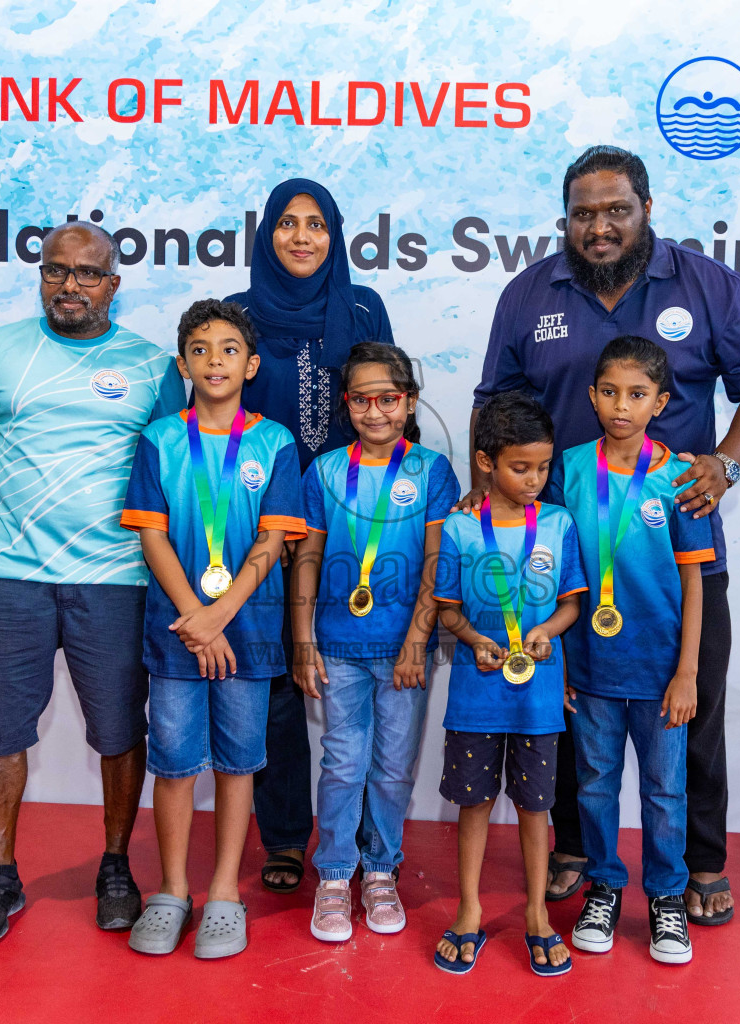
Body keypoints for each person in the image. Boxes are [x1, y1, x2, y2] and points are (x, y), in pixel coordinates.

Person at [469, 146, 740, 923]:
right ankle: (579, 848)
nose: (600, 226)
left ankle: (700, 863)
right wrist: (495, 525)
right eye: (584, 213)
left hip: (671, 557)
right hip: (566, 558)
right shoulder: (527, 294)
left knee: (692, 704)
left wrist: (723, 464)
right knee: (574, 703)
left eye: (617, 210)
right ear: (564, 221)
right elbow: (493, 406)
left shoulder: (709, 286)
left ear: (647, 209)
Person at [0, 222, 186, 944]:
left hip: (116, 582)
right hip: (11, 580)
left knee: (118, 732)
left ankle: (116, 866)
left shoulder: (152, 366)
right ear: (41, 276)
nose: (69, 286)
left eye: (87, 274)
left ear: (113, 285)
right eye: (56, 272)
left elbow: (167, 471)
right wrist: (23, 522)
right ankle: (1, 875)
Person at [119, 299, 306, 959]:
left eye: (229, 348)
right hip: (176, 635)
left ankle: (225, 891)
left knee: (237, 765)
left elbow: (271, 541)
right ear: (183, 364)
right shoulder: (161, 440)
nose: (214, 360)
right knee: (173, 765)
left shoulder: (276, 443)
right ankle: (172, 890)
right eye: (200, 349)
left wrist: (220, 615)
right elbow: (153, 537)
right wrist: (197, 621)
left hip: (247, 636)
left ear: (251, 364)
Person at [225, 179, 397, 894]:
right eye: (288, 224)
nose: (302, 237)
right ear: (266, 235)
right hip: (259, 526)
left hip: (351, 521)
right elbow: (216, 422)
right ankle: (289, 835)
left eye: (317, 224)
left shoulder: (361, 308)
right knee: (277, 687)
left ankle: (361, 835)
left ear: (336, 235)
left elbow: (384, 403)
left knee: (354, 674)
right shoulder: (237, 314)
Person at [544, 336, 713, 964]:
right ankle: (605, 886)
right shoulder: (571, 468)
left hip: (660, 669)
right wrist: (558, 658)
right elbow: (554, 566)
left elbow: (694, 579)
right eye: (610, 392)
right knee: (594, 783)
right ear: (591, 396)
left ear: (660, 402)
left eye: (637, 395)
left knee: (666, 791)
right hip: (588, 666)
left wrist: (688, 672)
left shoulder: (680, 478)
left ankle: (667, 899)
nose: (621, 406)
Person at [292, 342, 460, 941]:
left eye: (388, 399)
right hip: (337, 644)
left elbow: (438, 559)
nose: (375, 412)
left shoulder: (433, 472)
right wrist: (303, 639)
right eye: (361, 400)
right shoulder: (326, 471)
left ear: (409, 402)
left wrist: (418, 639)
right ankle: (336, 873)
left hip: (402, 653)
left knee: (392, 767)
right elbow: (307, 555)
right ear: (346, 405)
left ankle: (380, 870)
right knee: (341, 762)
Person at [432, 392, 587, 977]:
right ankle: (468, 911)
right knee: (473, 804)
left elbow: (572, 605)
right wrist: (474, 640)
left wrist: (546, 630)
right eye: (521, 467)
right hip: (477, 695)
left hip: (539, 698)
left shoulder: (559, 522)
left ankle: (535, 915)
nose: (534, 479)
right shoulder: (460, 529)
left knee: (534, 808)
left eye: (543, 467)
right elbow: (448, 611)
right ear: (485, 462)